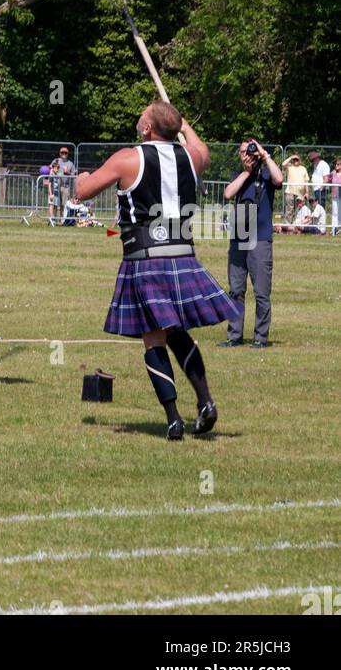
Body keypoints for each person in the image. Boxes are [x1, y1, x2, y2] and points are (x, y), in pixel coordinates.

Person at [75, 100, 241, 441]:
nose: (139, 116)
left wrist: (81, 177)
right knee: (176, 331)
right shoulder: (192, 159)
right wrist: (181, 125)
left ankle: (173, 419)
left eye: (144, 114)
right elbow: (201, 148)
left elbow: (83, 193)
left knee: (154, 338)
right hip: (183, 255)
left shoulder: (128, 158)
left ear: (148, 128)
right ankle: (206, 402)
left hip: (145, 257)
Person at [221, 138, 283, 349]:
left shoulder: (266, 175)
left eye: (249, 151)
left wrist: (265, 155)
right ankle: (234, 335)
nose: (245, 155)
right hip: (239, 238)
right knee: (236, 289)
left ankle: (260, 337)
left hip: (261, 238)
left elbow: (279, 178)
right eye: (241, 152)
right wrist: (246, 172)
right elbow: (228, 194)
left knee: (262, 292)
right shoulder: (238, 176)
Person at [281, 152, 309, 222]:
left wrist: (307, 192)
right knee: (289, 209)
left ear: (300, 160)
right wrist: (291, 157)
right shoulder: (289, 167)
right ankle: (288, 225)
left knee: (299, 209)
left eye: (297, 159)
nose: (296, 161)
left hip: (300, 193)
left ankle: (296, 225)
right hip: (290, 192)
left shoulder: (303, 168)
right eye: (294, 159)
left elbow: (306, 181)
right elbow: (283, 164)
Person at [55, 147, 75, 221]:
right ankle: (54, 218)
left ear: (67, 154)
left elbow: (74, 175)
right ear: (60, 153)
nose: (64, 154)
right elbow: (50, 168)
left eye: (65, 153)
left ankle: (62, 218)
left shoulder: (70, 163)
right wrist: (55, 171)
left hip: (65, 186)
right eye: (62, 152)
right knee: (56, 203)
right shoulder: (56, 161)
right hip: (56, 186)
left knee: (64, 203)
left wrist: (68, 173)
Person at [326, 158, 341, 236]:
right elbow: (327, 180)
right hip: (335, 195)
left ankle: (339, 228)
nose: (336, 166)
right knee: (335, 212)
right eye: (335, 164)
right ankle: (334, 229)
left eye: (338, 164)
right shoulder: (333, 173)